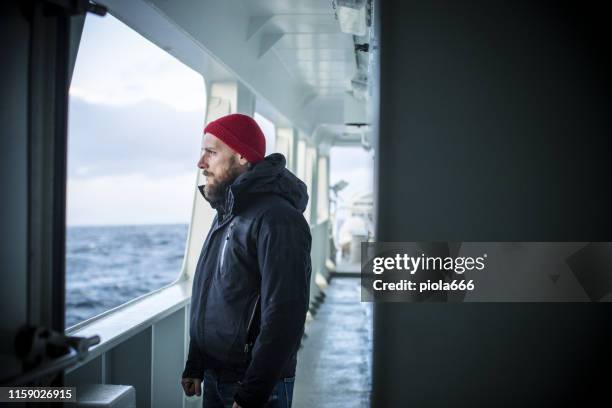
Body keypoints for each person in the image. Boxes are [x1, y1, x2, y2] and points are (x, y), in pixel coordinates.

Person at [181, 113, 312, 408]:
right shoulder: (227, 213)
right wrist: (196, 363)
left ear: (241, 156)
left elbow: (285, 316)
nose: (201, 163)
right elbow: (211, 293)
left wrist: (252, 394)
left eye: (211, 152)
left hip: (251, 385)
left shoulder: (278, 220)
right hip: (216, 376)